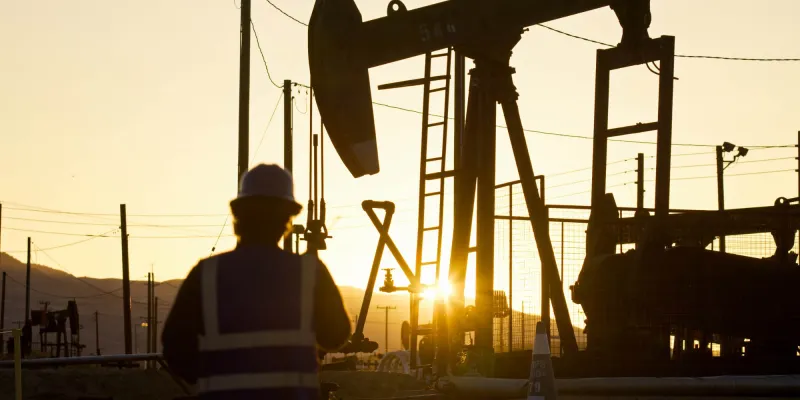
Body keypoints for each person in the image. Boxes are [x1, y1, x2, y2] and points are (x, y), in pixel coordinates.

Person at [162, 164, 351, 399]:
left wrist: (216, 379)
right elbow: (336, 335)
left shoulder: (206, 274)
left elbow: (175, 349)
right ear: (287, 220)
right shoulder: (309, 273)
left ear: (238, 217)